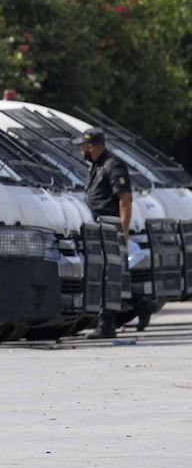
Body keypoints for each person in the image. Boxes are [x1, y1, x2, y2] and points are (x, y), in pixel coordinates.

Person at [76, 128, 153, 339]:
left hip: (109, 226)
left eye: (82, 145)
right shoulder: (98, 165)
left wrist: (123, 231)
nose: (81, 150)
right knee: (108, 275)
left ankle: (108, 324)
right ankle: (140, 303)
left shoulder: (113, 164)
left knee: (108, 275)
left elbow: (125, 200)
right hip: (99, 226)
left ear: (91, 145)